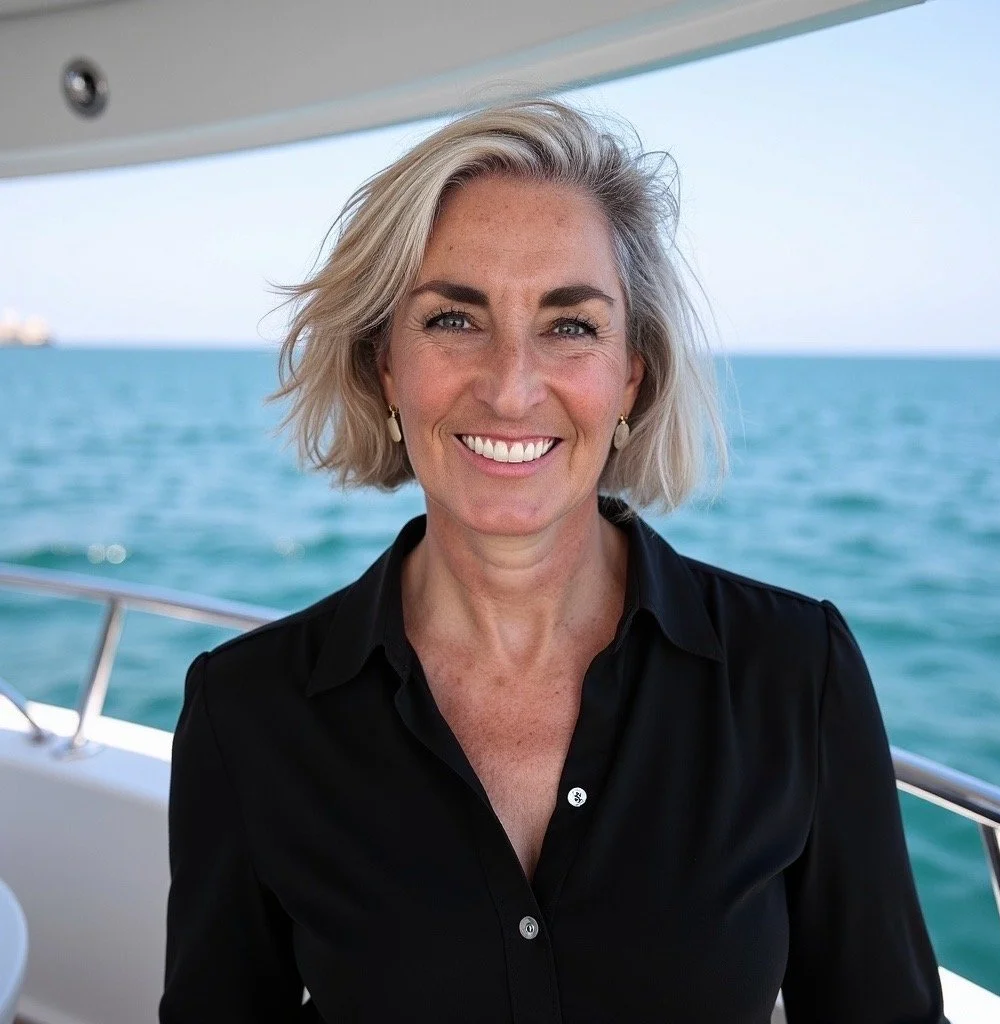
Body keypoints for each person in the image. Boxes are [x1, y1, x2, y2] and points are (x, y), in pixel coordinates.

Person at [159, 99, 948, 1023]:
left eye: (570, 326)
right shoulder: (249, 712)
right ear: (384, 368)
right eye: (455, 319)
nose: (510, 385)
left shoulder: (794, 673)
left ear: (631, 378)